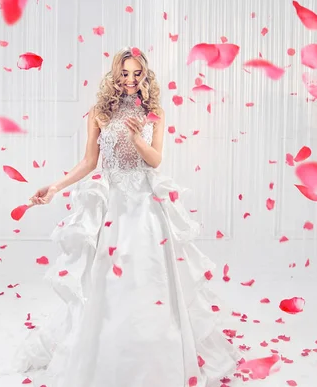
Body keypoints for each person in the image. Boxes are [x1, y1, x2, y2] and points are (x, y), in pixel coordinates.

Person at [15, 46, 244, 387]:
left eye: (137, 73)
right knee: (107, 284)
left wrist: (137, 138)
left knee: (148, 281)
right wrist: (54, 187)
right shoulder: (100, 113)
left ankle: (154, 362)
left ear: (145, 75)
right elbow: (89, 162)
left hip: (146, 208)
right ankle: (105, 357)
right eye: (125, 73)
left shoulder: (155, 112)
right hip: (113, 209)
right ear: (115, 74)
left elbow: (155, 161)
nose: (131, 80)